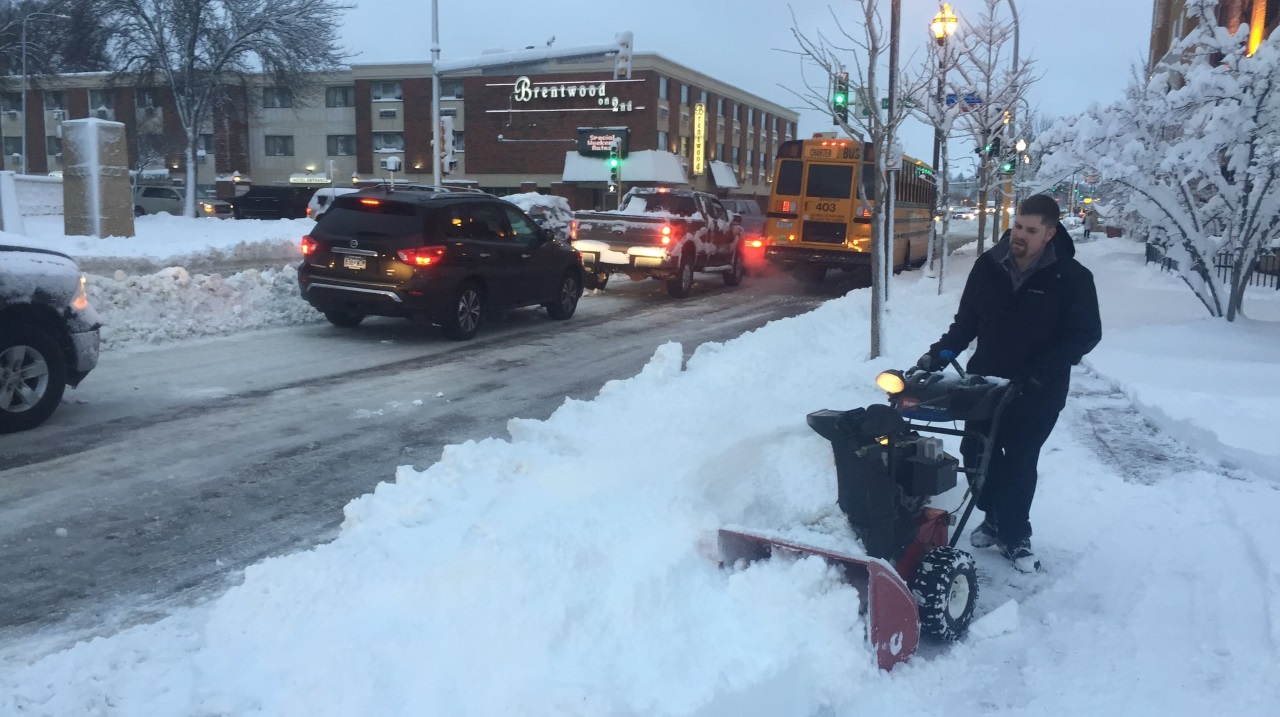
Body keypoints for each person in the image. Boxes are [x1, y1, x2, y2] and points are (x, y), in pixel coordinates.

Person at [918, 194, 1102, 573]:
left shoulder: (1071, 278)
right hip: (984, 383)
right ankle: (995, 515)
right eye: (1018, 225)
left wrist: (1039, 371)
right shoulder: (988, 266)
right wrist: (939, 355)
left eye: (1031, 230)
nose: (1020, 234)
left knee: (1019, 461)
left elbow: (1085, 335)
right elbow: (966, 323)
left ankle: (1016, 535)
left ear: (1050, 234)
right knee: (975, 453)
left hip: (1038, 388)